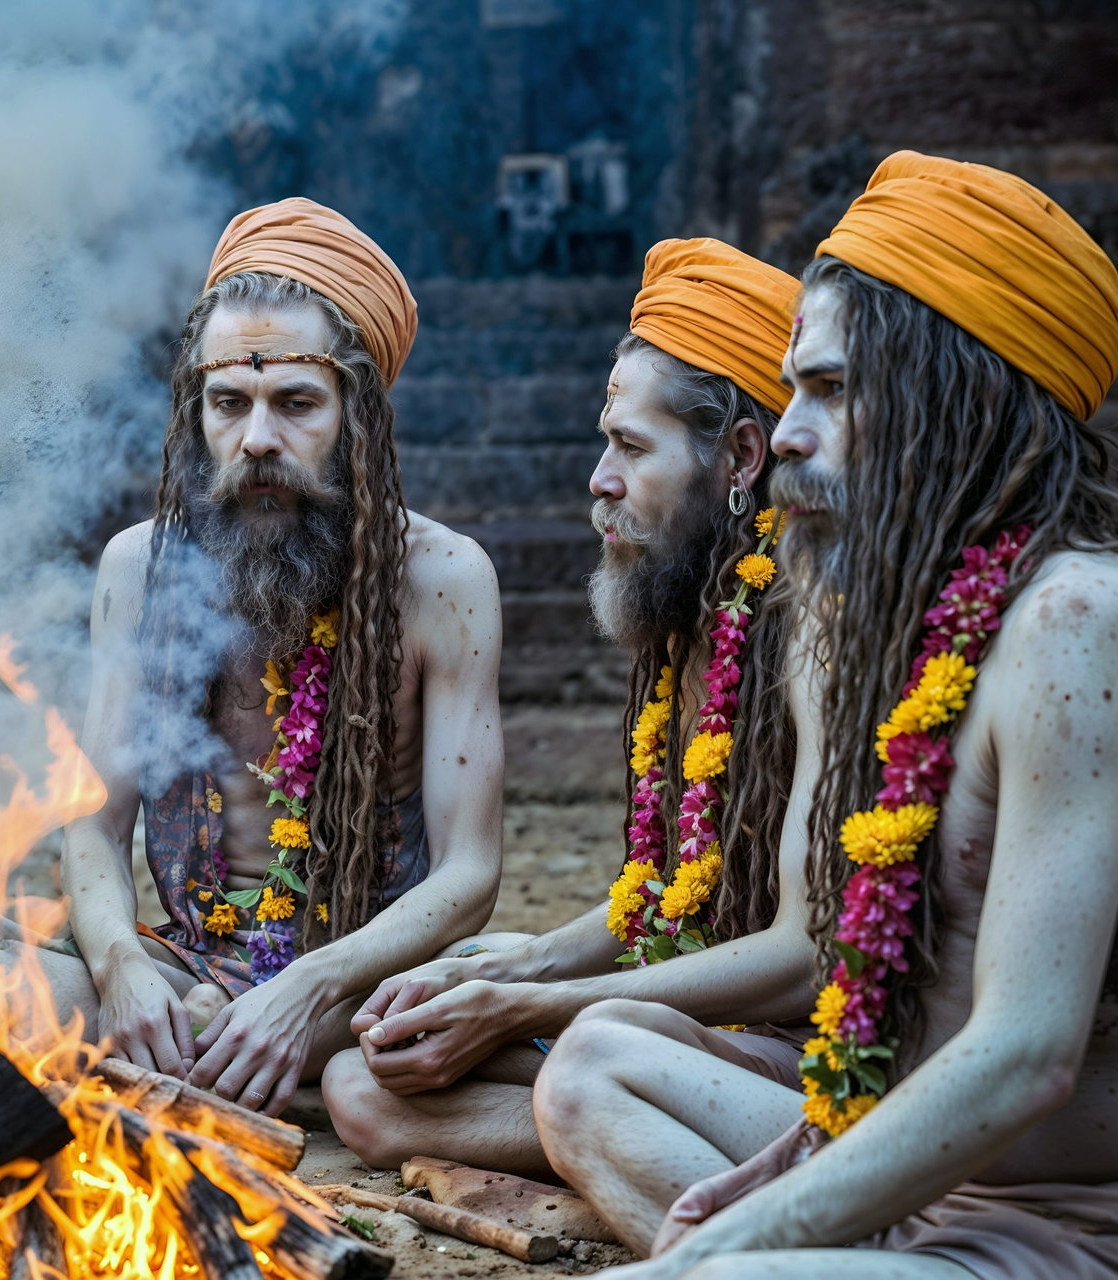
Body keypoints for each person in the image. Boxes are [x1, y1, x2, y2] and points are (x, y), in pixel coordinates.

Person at [535, 152, 1118, 1277]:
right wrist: (802, 1155)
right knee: (589, 1068)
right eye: (792, 389)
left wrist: (716, 1251)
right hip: (927, 1183)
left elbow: (1022, 1055)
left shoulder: (1082, 621)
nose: (791, 434)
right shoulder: (868, 620)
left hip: (1112, 1235)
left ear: (954, 393)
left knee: (726, 1270)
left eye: (832, 388)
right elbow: (864, 981)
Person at [323, 238, 823, 1178]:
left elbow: (802, 957)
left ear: (742, 456)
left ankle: (635, 1151)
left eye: (631, 447)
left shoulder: (813, 634)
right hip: (691, 1019)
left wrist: (528, 1006)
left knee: (447, 1072)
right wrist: (514, 972)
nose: (600, 477)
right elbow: (669, 901)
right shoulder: (698, 619)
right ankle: (620, 1140)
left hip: (805, 1051)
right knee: (371, 1074)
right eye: (607, 443)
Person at [35, 198, 504, 1118]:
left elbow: (468, 873)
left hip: (360, 981)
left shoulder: (443, 579)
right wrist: (124, 966)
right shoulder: (138, 569)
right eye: (228, 404)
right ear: (195, 412)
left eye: (295, 403)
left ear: (358, 416)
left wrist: (309, 987)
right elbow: (91, 826)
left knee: (418, 1026)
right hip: (176, 959)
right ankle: (205, 1048)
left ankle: (210, 1060)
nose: (256, 440)